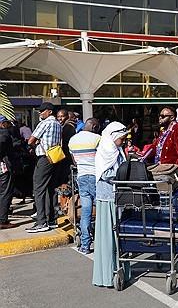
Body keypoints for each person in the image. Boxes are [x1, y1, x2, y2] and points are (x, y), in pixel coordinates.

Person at [93, 121, 130, 287]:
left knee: (119, 235)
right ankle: (108, 274)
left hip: (118, 197)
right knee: (109, 236)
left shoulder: (117, 150)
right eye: (121, 138)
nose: (123, 141)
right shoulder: (105, 151)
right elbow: (107, 174)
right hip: (108, 198)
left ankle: (121, 269)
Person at [26, 102, 62, 233]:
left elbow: (31, 140)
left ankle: (41, 222)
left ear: (49, 112)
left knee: (39, 188)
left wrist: (34, 145)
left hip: (44, 158)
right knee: (50, 188)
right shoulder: (58, 124)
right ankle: (52, 220)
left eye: (42, 111)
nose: (40, 113)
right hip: (55, 157)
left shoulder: (44, 123)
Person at [68, 118, 101, 254]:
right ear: (93, 126)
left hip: (81, 177)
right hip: (96, 177)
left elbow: (75, 161)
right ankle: (102, 241)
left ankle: (85, 245)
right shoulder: (98, 139)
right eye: (97, 127)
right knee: (101, 211)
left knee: (86, 212)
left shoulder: (73, 140)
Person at [151, 107, 178, 181]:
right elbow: (155, 147)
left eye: (163, 116)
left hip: (174, 175)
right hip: (162, 172)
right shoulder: (164, 131)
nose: (160, 118)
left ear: (172, 117)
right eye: (159, 115)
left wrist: (177, 172)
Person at [0, 115, 15, 229]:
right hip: (3, 167)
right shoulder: (4, 134)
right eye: (6, 123)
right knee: (5, 193)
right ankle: (3, 220)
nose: (7, 125)